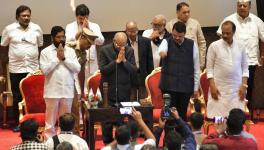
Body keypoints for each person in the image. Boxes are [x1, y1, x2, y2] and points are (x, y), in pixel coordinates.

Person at [0, 5, 43, 132]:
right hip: (16, 68)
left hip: (33, 68)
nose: (26, 18)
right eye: (23, 16)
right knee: (17, 96)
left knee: (33, 96)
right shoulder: (9, 29)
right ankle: (19, 123)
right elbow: (3, 48)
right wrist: (3, 67)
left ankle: (33, 123)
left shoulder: (36, 28)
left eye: (28, 15)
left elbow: (40, 46)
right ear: (17, 17)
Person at [216, 0, 264, 113]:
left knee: (249, 87)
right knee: (234, 89)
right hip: (233, 61)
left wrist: (262, 55)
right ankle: (233, 114)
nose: (242, 7)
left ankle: (246, 114)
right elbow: (221, 39)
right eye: (239, 5)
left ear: (250, 6)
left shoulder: (257, 21)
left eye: (244, 5)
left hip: (251, 61)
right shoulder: (229, 20)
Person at [40, 26, 81, 139]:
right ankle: (50, 144)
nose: (61, 39)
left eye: (63, 36)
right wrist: (57, 59)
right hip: (52, 92)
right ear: (52, 38)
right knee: (50, 124)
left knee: (65, 123)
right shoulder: (45, 52)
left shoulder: (71, 51)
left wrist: (64, 59)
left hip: (67, 91)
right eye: (58, 37)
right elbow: (44, 70)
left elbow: (77, 68)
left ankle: (64, 144)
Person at [99, 32, 137, 144]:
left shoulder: (129, 50)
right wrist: (116, 62)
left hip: (124, 91)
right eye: (119, 45)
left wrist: (124, 61)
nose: (121, 47)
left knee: (123, 118)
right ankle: (107, 142)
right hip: (107, 91)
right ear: (114, 41)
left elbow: (133, 70)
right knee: (107, 119)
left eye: (123, 45)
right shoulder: (104, 50)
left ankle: (122, 142)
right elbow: (103, 69)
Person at [206, 21, 249, 118]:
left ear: (234, 32)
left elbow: (245, 68)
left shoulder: (241, 46)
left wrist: (244, 86)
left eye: (227, 33)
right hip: (219, 88)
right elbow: (209, 69)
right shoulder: (214, 46)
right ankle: (220, 133)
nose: (224, 35)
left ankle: (234, 133)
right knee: (218, 119)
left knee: (235, 119)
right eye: (223, 32)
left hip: (236, 89)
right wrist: (212, 86)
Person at [159, 21, 200, 121]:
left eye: (179, 36)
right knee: (167, 114)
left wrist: (195, 87)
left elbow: (196, 67)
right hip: (168, 86)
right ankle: (168, 135)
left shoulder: (192, 44)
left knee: (181, 114)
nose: (176, 38)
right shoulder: (166, 41)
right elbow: (162, 50)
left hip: (185, 87)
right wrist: (162, 53)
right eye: (174, 35)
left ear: (184, 34)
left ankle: (182, 135)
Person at [66, 3, 104, 97]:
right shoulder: (70, 26)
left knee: (92, 91)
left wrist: (89, 30)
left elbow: (101, 41)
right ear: (76, 16)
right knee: (79, 88)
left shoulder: (94, 26)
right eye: (80, 18)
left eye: (85, 18)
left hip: (91, 62)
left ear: (88, 16)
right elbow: (68, 40)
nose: (82, 20)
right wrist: (81, 30)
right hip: (76, 60)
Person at [66, 27, 98, 134]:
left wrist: (82, 90)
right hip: (58, 83)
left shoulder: (83, 53)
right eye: (88, 43)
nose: (89, 47)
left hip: (70, 83)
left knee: (75, 109)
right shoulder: (68, 47)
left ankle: (75, 134)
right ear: (82, 37)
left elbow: (81, 72)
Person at [166, 2, 206, 70]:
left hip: (193, 61)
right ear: (177, 12)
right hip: (176, 63)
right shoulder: (170, 25)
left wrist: (201, 63)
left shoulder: (195, 23)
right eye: (184, 12)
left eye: (188, 12)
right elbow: (168, 45)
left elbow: (202, 43)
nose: (187, 14)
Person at [125, 21, 154, 101]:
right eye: (130, 31)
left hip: (143, 74)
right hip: (129, 76)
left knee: (144, 100)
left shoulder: (146, 41)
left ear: (137, 30)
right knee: (131, 100)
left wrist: (150, 76)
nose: (132, 33)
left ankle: (142, 114)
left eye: (134, 30)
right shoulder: (124, 43)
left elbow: (150, 60)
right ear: (126, 31)